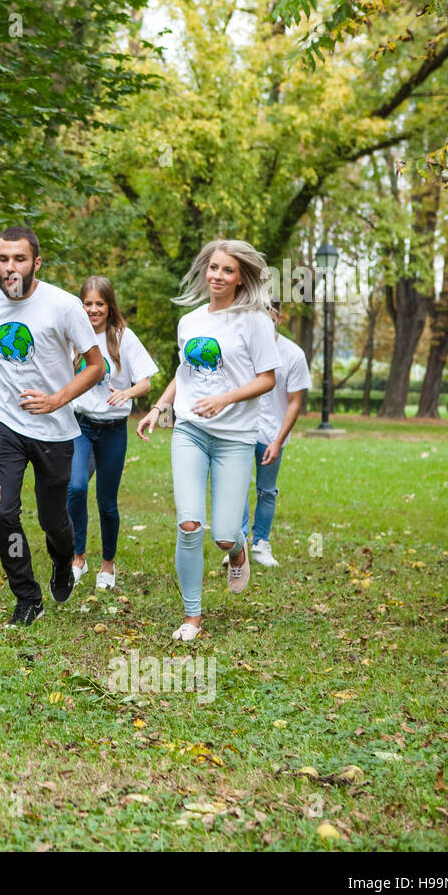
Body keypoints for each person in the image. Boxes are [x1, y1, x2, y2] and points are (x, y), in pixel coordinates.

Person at [136, 239, 280, 643]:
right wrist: (157, 408)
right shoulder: (190, 322)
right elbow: (184, 375)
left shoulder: (254, 321)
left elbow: (267, 378)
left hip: (235, 438)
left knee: (225, 532)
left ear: (241, 278)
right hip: (190, 431)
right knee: (188, 524)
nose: (217, 276)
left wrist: (225, 398)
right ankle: (192, 616)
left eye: (227, 271)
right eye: (213, 268)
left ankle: (236, 550)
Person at [0, 226, 104, 627]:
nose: (10, 268)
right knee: (2, 512)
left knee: (53, 521)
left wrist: (57, 399)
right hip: (3, 421)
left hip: (54, 429)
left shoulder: (63, 305)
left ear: (36, 262)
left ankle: (63, 559)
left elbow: (96, 366)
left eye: (19, 259)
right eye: (3, 259)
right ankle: (27, 596)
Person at [67, 276, 158, 590]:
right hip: (80, 426)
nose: (93, 310)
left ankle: (107, 565)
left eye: (99, 304)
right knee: (75, 488)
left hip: (113, 430)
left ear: (109, 306)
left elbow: (147, 381)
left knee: (107, 501)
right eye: (88, 304)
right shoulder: (73, 336)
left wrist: (129, 393)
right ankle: (78, 557)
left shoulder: (123, 337)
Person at [239, 303, 312, 567]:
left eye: (268, 318)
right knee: (237, 488)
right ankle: (239, 545)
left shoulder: (293, 354)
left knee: (266, 491)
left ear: (278, 319)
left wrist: (279, 440)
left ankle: (261, 544)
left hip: (272, 435)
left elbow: (294, 402)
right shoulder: (241, 349)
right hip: (241, 431)